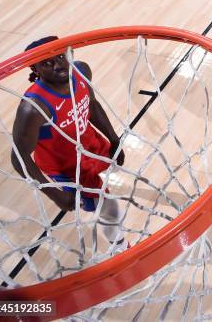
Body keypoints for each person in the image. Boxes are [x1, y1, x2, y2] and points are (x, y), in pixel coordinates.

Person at [11, 36, 127, 252]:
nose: (58, 65)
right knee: (110, 207)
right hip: (65, 166)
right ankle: (121, 248)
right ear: (35, 69)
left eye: (61, 56)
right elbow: (18, 158)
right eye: (47, 63)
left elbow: (91, 105)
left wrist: (113, 138)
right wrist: (55, 194)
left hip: (89, 144)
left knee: (111, 174)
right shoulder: (33, 108)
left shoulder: (81, 71)